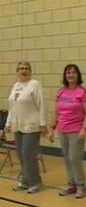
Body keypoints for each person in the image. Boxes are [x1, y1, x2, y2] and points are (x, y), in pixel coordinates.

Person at [4, 61, 49, 194]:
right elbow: (12, 107)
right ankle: (25, 181)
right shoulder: (16, 85)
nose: (24, 70)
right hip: (17, 126)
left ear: (30, 71)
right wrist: (8, 123)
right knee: (21, 156)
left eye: (26, 68)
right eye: (21, 68)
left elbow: (42, 104)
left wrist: (42, 123)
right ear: (17, 71)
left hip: (32, 126)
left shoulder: (35, 84)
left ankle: (35, 182)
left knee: (28, 155)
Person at [50, 64, 86, 198]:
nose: (70, 75)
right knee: (67, 158)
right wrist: (52, 129)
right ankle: (72, 184)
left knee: (75, 158)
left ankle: (81, 185)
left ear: (78, 75)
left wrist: (84, 128)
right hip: (62, 130)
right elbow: (56, 111)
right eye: (68, 73)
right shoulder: (61, 91)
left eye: (73, 72)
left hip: (76, 130)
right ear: (65, 75)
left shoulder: (83, 91)